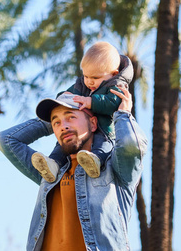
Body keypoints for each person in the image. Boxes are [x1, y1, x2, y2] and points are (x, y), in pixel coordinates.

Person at [0, 87, 147, 251]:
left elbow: (132, 146)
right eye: (57, 123)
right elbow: (6, 140)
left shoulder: (114, 168)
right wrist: (53, 117)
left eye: (71, 117)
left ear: (93, 123)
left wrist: (122, 115)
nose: (63, 127)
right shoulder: (50, 171)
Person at [31, 42, 133, 182]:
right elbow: (69, 95)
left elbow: (113, 103)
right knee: (61, 145)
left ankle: (95, 162)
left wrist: (91, 102)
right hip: (85, 127)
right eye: (86, 76)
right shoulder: (83, 83)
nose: (89, 82)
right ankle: (52, 164)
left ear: (113, 74)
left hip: (104, 130)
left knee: (102, 146)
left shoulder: (117, 85)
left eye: (95, 78)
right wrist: (63, 96)